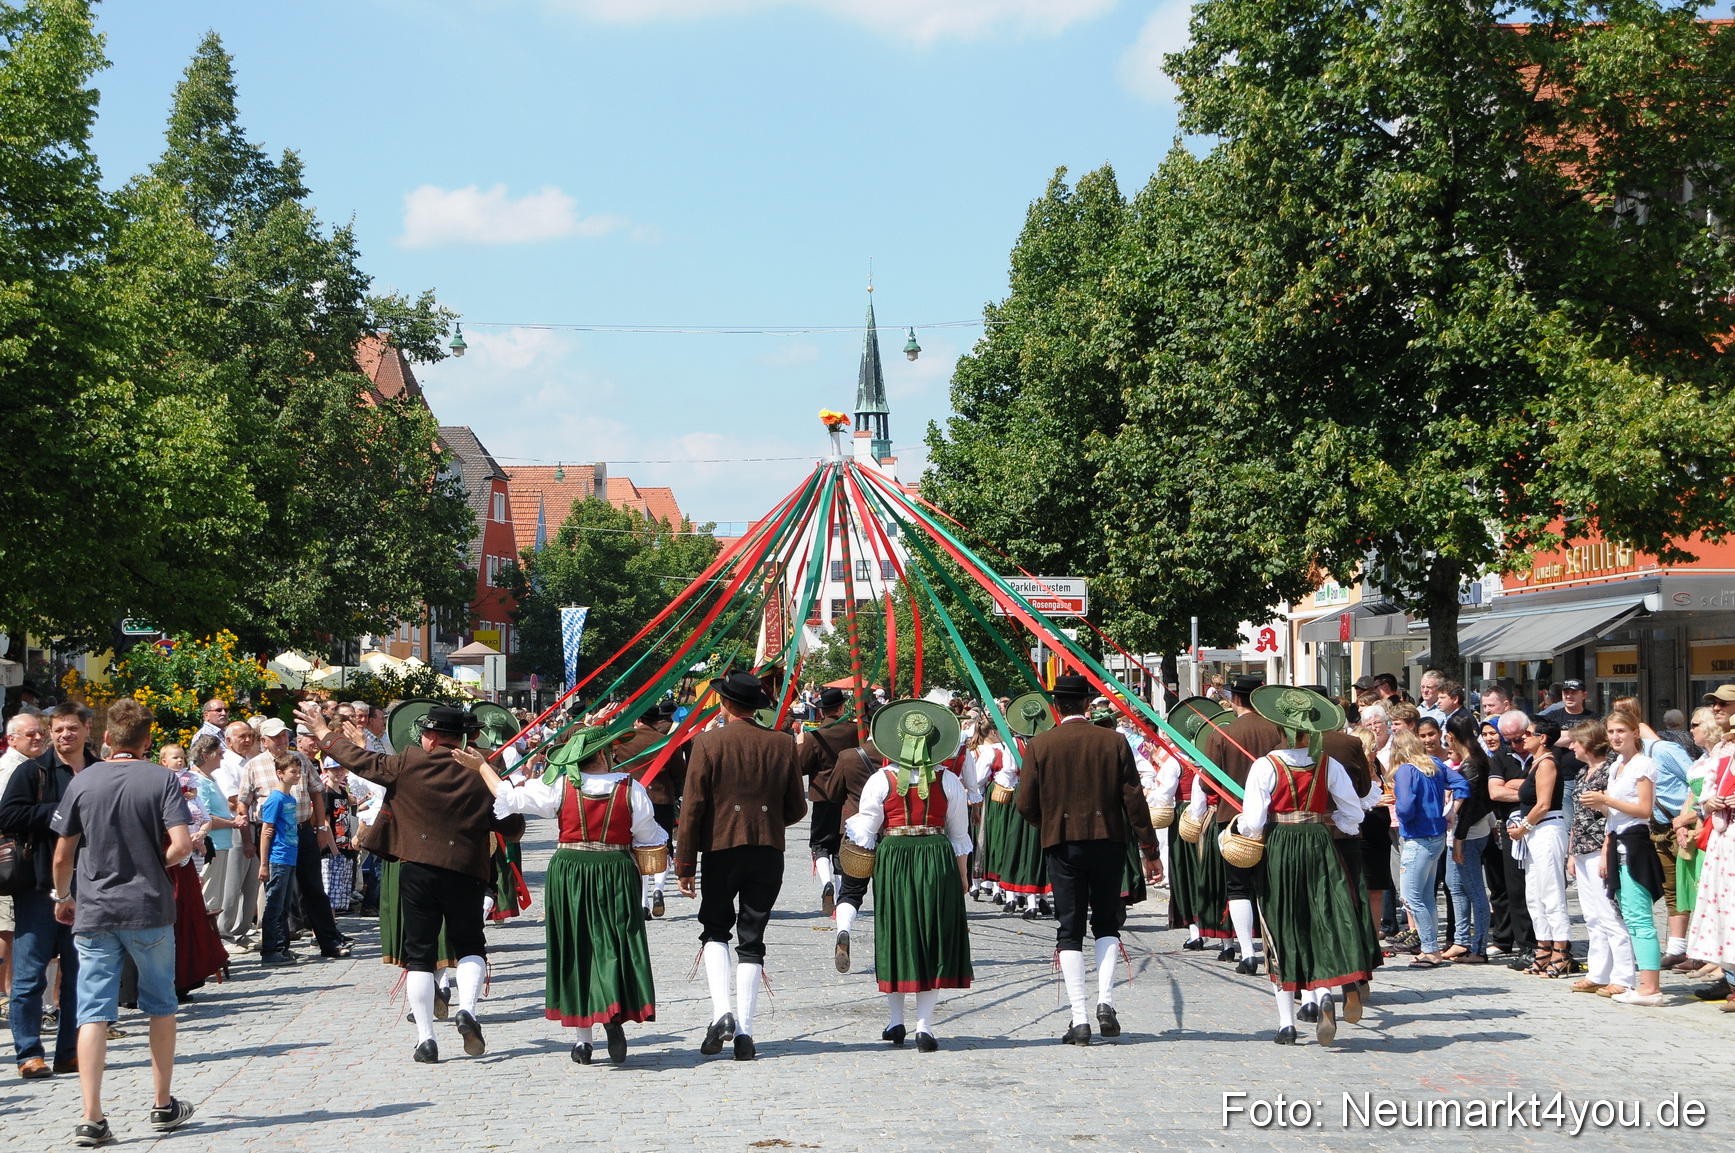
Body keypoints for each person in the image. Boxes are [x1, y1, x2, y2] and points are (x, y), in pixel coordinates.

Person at [299, 701, 525, 1063]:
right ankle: (468, 1010)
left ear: (433, 737)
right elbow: (512, 826)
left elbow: (360, 761)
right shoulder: (485, 770)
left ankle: (426, 1039)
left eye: (423, 734)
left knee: (419, 957)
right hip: (466, 870)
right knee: (470, 946)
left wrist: (324, 733)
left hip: (417, 870)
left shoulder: (408, 761)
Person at [464, 727, 665, 1065]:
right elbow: (648, 837)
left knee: (576, 947)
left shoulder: (559, 786)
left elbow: (508, 796)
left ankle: (583, 1042)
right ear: (602, 756)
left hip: (570, 871)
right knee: (615, 943)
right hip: (615, 869)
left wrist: (481, 766)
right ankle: (614, 1014)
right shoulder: (632, 788)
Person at [47, 698, 197, 1144]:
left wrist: (62, 896)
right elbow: (183, 845)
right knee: (160, 1004)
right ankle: (162, 1104)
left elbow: (62, 854)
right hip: (148, 907)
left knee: (92, 1011)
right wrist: (154, 864)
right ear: (148, 741)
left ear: (106, 737)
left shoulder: (85, 779)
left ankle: (91, 1116)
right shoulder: (161, 779)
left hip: (95, 908)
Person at [1016, 674, 1161, 1045]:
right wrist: (1150, 850)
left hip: (1062, 844)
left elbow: (1025, 804)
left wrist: (1049, 825)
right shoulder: (1114, 742)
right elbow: (1133, 799)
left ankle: (1079, 1019)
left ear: (1056, 707)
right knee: (1107, 921)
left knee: (1069, 928)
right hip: (1108, 841)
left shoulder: (1040, 745)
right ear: (1086, 705)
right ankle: (1105, 1002)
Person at [674, 672, 805, 1061]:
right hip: (768, 850)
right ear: (755, 707)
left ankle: (722, 1012)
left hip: (721, 848)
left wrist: (684, 865)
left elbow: (693, 807)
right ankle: (746, 1033)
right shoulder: (782, 743)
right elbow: (797, 808)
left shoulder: (707, 743)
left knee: (715, 929)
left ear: (724, 704)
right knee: (752, 938)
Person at [1231, 687, 1370, 1045]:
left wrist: (1241, 830)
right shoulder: (1328, 764)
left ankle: (1286, 1024)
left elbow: (1253, 821)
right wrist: (1329, 821)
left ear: (1278, 727)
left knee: (1282, 925)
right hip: (1319, 843)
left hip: (1279, 845)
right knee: (1321, 917)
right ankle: (1323, 992)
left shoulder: (1265, 766)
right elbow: (1353, 813)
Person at [842, 700, 974, 1052]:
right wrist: (962, 877)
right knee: (931, 936)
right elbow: (959, 835)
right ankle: (924, 1026)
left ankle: (896, 1022)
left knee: (897, 933)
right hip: (936, 857)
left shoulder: (879, 780)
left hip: (895, 858)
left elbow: (866, 832)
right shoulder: (950, 781)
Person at [1, 702, 98, 1079]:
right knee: (29, 974)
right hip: (39, 886)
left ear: (87, 729)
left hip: (88, 886)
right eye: (58, 730)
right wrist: (60, 812)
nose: (63, 736)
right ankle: (28, 1053)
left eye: (71, 728)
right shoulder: (33, 771)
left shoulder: (97, 771)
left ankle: (70, 1052)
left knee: (79, 974)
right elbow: (7, 815)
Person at [1198, 674, 1285, 970]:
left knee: (1237, 887)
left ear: (1234, 699)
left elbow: (1208, 786)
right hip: (1275, 819)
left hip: (1232, 821)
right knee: (1271, 885)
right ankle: (1277, 948)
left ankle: (1248, 952)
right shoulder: (1278, 731)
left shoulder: (1220, 734)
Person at [1578, 710, 1665, 1006]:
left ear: (1634, 733)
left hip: (1635, 843)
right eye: (1611, 732)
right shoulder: (1617, 765)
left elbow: (1644, 810)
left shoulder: (1643, 764)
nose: (1615, 737)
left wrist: (1606, 800)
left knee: (1639, 918)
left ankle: (1650, 986)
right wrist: (1603, 808)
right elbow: (1615, 815)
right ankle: (1644, 984)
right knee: (1627, 913)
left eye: (1621, 731)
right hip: (1616, 842)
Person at [1560, 719, 1636, 997]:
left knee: (1609, 913)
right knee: (1592, 915)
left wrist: (1606, 849)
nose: (1571, 746)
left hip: (1601, 847)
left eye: (1575, 742)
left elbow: (1613, 817)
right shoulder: (1583, 772)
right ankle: (1598, 972)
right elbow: (1577, 818)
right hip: (1581, 848)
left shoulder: (1608, 771)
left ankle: (1623, 975)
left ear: (1589, 744)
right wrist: (1571, 852)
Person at [1391, 730, 1467, 968]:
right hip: (1436, 835)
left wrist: (1408, 818)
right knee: (1425, 896)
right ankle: (1431, 947)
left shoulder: (1406, 770)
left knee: (1411, 897)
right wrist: (1452, 809)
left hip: (1417, 837)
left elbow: (1404, 807)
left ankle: (1430, 950)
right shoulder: (1433, 763)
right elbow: (1462, 784)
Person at [611, 699, 686, 919]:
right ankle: (659, 889)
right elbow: (679, 773)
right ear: (657, 720)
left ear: (638, 719)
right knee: (662, 846)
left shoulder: (622, 743)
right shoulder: (666, 741)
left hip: (631, 799)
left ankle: (642, 902)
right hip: (660, 799)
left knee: (635, 847)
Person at [0, 712, 49, 1030]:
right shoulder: (10, 769)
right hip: (11, 862)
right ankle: (5, 996)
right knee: (7, 928)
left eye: (38, 733)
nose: (36, 738)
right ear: (12, 738)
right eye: (29, 734)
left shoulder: (35, 765)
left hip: (28, 862)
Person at [1684, 709, 1735, 1007]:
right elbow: (1709, 791)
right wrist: (1710, 801)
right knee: (1723, 908)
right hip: (1724, 837)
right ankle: (1730, 980)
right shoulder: (1723, 754)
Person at [795, 687, 859, 917]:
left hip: (822, 796)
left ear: (822, 712)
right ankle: (841, 898)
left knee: (820, 843)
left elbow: (800, 767)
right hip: (850, 797)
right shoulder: (856, 730)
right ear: (841, 708)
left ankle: (826, 884)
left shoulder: (815, 736)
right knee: (843, 846)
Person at [1487, 711, 1539, 968]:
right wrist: (1528, 789)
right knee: (1515, 889)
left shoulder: (1542, 756)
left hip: (1541, 828)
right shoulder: (1500, 757)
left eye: (1518, 739)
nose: (1514, 745)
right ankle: (1526, 945)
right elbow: (1495, 792)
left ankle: (1547, 944)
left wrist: (1516, 786)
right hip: (1511, 829)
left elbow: (1546, 791)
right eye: (1508, 740)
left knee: (1542, 888)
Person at [1442, 714, 1493, 964]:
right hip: (1461, 833)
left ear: (1451, 737)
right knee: (1455, 887)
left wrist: (1459, 840)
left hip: (1469, 835)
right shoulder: (1470, 761)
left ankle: (1479, 948)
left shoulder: (1472, 764)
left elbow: (1471, 808)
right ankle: (1462, 941)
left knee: (1474, 890)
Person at [256, 754, 303, 965]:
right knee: (274, 904)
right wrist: (264, 864)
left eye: (298, 771)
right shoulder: (275, 800)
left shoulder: (290, 799)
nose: (297, 775)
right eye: (292, 772)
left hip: (290, 857)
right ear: (280, 773)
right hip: (278, 857)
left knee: (284, 906)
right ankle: (269, 950)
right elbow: (266, 831)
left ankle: (282, 947)